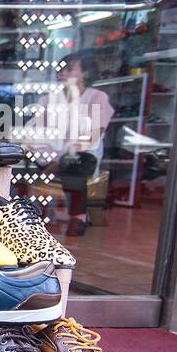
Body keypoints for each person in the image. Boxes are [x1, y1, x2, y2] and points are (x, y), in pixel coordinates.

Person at [32, 52, 114, 236]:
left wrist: (63, 159)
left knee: (73, 165)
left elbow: (94, 134)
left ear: (85, 73)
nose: (62, 73)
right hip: (48, 155)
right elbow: (38, 132)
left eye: (69, 69)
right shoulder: (47, 100)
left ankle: (78, 217)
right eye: (60, 69)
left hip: (81, 155)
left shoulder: (97, 97)